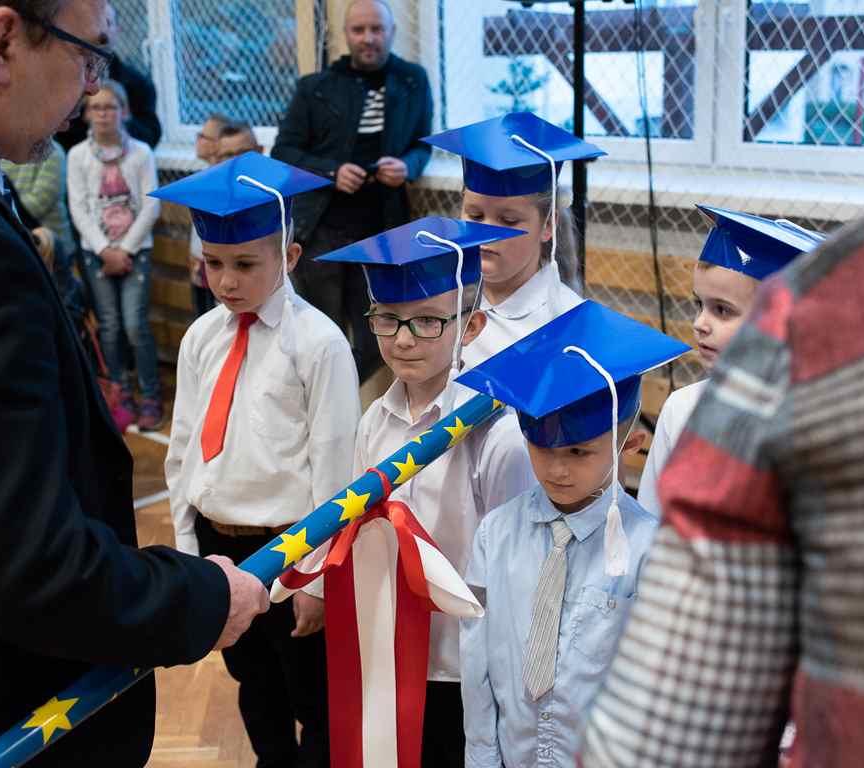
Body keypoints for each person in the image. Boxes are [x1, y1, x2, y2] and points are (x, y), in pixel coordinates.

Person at [579, 1, 864, 763]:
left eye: (722, 310)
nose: (704, 325)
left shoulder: (837, 313)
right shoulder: (696, 400)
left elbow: (674, 722)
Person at [0, 2, 268, 766]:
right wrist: (205, 598)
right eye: (89, 53)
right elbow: (33, 571)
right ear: (4, 41)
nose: (91, 86)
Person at [155, 151, 361, 768]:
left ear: (289, 257)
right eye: (213, 262)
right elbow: (183, 451)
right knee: (254, 683)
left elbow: (335, 473)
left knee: (314, 697)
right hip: (220, 548)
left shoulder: (319, 344)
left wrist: (317, 579)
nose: (226, 281)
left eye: (245, 264)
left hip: (290, 551)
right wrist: (188, 555)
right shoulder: (202, 336)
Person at [314, 216, 537, 766]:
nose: (403, 338)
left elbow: (516, 568)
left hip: (464, 664)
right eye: (387, 318)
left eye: (428, 321)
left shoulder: (497, 433)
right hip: (391, 650)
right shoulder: (375, 420)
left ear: (471, 325)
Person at [455, 300, 688, 768]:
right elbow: (476, 661)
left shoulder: (652, 550)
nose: (557, 470)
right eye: (541, 449)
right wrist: (482, 758)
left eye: (579, 452)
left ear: (630, 444)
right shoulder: (495, 535)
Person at [273, 0, 434, 383]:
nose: (368, 38)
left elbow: (422, 144)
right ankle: (318, 405)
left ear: (392, 32)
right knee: (319, 337)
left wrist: (407, 167)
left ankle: (337, 396)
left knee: (379, 337)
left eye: (377, 29)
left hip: (382, 232)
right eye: (359, 30)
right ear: (345, 35)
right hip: (321, 230)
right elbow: (284, 152)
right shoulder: (315, 87)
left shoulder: (413, 80)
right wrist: (332, 172)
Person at [636, 206, 822, 518]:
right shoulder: (682, 410)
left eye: (722, 310)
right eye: (699, 304)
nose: (700, 323)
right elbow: (650, 523)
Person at [423, 112, 604, 367]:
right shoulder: (439, 302)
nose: (486, 232)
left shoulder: (568, 325)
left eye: (508, 220)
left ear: (548, 225)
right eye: (475, 215)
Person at [67, 78, 163, 429]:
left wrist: (124, 250)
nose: (103, 114)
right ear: (86, 114)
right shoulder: (78, 156)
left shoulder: (141, 153)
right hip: (97, 253)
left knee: (135, 324)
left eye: (110, 107)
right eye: (96, 107)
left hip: (135, 251)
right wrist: (105, 250)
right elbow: (78, 208)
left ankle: (150, 395)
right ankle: (119, 392)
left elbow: (151, 205)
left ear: (124, 111)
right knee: (108, 326)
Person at [55, 2, 160, 150]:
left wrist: (117, 122)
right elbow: (56, 130)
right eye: (95, 23)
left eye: (108, 23)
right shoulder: (63, 78)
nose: (101, 31)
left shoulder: (140, 84)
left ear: (118, 31)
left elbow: (151, 134)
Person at [2, 138, 84, 320]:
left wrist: (4, 214)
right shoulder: (5, 151)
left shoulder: (53, 151)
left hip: (54, 247)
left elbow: (41, 200)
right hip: (19, 244)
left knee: (65, 311)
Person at [188, 118, 263, 318]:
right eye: (228, 155)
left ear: (259, 151)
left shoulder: (273, 194)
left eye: (243, 152)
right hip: (214, 280)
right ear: (217, 159)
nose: (236, 160)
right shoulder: (208, 191)